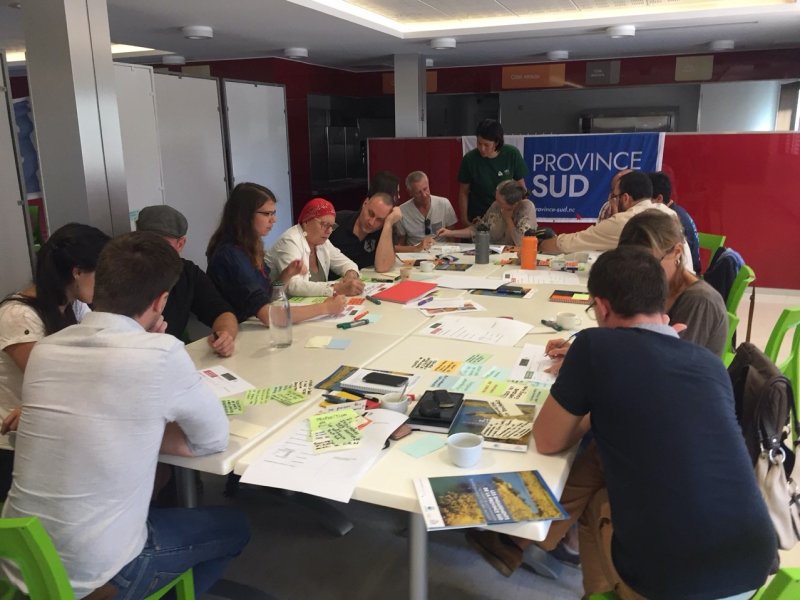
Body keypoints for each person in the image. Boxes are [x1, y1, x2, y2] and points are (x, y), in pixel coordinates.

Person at [1, 232, 250, 599]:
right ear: (161, 301)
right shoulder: (161, 353)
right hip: (95, 576)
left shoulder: (46, 350)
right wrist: (141, 424)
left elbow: (91, 410)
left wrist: (129, 424)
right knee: (236, 526)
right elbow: (212, 439)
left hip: (21, 559)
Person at [530, 245, 775, 599]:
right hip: (752, 568)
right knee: (603, 471)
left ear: (601, 307)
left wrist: (593, 405)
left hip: (669, 584)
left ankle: (575, 574)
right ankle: (524, 543)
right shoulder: (708, 363)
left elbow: (548, 440)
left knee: (597, 502)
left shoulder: (594, 345)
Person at [0, 223, 109, 498]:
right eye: (101, 273)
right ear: (77, 272)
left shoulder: (75, 306)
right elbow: (52, 383)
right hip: (15, 445)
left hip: (54, 429)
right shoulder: (18, 316)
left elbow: (104, 357)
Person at [206, 183, 346, 325]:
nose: (274, 220)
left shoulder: (251, 246)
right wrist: (325, 308)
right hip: (240, 330)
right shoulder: (232, 255)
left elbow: (271, 291)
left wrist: (287, 274)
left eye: (273, 213)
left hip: (253, 325)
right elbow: (269, 316)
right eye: (267, 214)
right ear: (245, 216)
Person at [619, 209, 727, 355]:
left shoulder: (699, 301)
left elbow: (673, 362)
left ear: (677, 252)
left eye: (650, 262)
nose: (637, 273)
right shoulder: (657, 288)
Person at [136, 204, 238, 356]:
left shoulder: (187, 273)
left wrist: (225, 335)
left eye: (162, 246)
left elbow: (221, 312)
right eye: (146, 243)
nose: (153, 251)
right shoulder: (123, 273)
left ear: (180, 244)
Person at [538, 170, 690, 266]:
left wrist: (538, 244)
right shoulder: (667, 212)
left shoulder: (625, 221)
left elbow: (570, 243)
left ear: (625, 198)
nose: (611, 200)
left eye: (614, 196)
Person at [266, 197, 364, 298]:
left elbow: (346, 263)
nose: (329, 231)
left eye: (332, 226)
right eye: (324, 224)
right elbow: (293, 286)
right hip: (278, 304)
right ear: (306, 221)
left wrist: (351, 275)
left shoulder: (322, 242)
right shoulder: (290, 241)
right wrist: (335, 289)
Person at [458, 119, 528, 222]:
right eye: (479, 143)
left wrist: (522, 216)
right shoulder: (469, 159)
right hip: (479, 216)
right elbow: (463, 192)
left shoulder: (511, 154)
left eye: (486, 145)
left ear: (496, 143)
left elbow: (521, 188)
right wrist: (464, 220)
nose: (482, 148)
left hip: (505, 214)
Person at [438, 180, 535, 246]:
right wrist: (450, 233)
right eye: (496, 199)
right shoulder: (496, 205)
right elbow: (477, 230)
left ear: (514, 204)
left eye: (501, 203)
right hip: (493, 253)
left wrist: (508, 219)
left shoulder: (526, 207)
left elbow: (522, 242)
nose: (496, 203)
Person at [328, 191, 400, 272]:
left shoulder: (385, 231)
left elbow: (383, 267)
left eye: (380, 220)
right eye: (370, 214)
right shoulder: (337, 221)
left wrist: (388, 224)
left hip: (366, 279)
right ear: (365, 203)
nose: (371, 222)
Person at [648, 171, 702, 274]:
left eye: (646, 200)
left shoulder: (670, 219)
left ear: (659, 198)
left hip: (687, 275)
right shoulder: (676, 211)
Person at [394, 171, 457, 252]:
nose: (424, 195)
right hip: (415, 253)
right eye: (418, 192)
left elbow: (452, 236)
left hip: (441, 252)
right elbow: (401, 242)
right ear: (410, 192)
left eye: (425, 189)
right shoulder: (402, 211)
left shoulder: (444, 204)